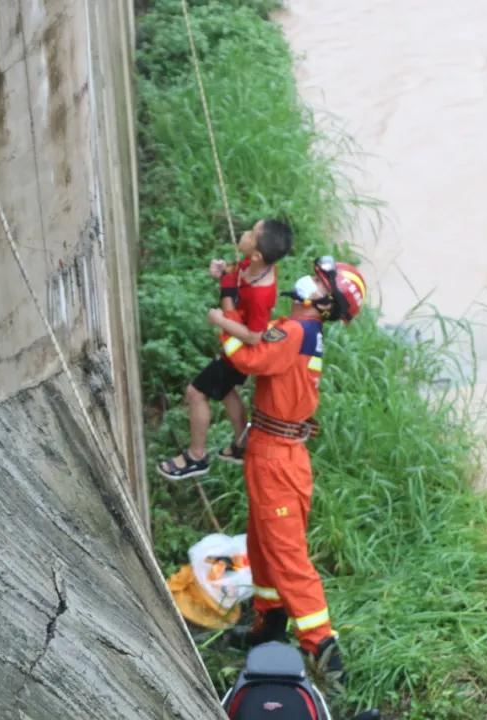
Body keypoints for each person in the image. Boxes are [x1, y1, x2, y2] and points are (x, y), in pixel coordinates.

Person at [211, 256, 367, 688]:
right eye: (316, 278)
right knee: (262, 542)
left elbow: (245, 357)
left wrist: (223, 317)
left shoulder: (296, 332)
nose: (310, 283)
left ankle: (323, 649)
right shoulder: (300, 331)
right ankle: (269, 624)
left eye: (319, 284)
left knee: (285, 551)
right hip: (275, 448)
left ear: (324, 305)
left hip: (278, 455)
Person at [157, 219, 293, 481]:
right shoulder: (255, 267)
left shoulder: (261, 294)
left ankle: (196, 457)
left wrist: (220, 320)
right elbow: (237, 274)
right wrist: (224, 271)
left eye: (251, 234)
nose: (244, 233)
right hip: (234, 347)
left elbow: (255, 337)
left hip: (239, 353)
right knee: (226, 391)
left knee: (195, 393)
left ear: (256, 254)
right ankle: (242, 444)